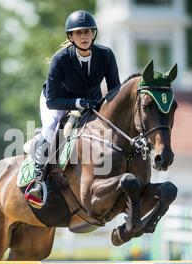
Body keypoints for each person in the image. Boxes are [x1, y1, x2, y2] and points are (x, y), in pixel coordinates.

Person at [25, 10, 121, 208]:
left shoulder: (106, 55)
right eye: (78, 33)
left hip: (91, 101)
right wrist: (78, 103)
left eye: (87, 32)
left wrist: (104, 105)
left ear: (93, 33)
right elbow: (52, 100)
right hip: (58, 101)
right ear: (71, 36)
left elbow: (115, 90)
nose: (84, 36)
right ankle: (37, 180)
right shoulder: (60, 60)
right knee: (51, 127)